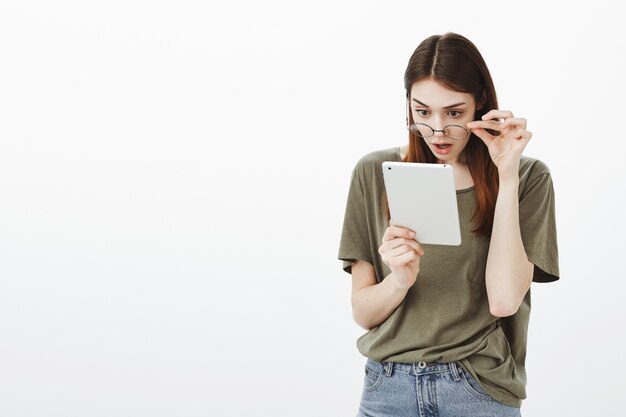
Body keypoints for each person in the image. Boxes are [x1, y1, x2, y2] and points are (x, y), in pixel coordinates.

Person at [338, 32, 559, 417]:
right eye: (422, 112)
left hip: (476, 389)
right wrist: (400, 279)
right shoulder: (373, 172)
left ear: (481, 105)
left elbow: (505, 300)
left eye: (454, 113)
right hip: (387, 388)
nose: (437, 130)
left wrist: (506, 176)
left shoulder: (528, 177)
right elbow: (364, 313)